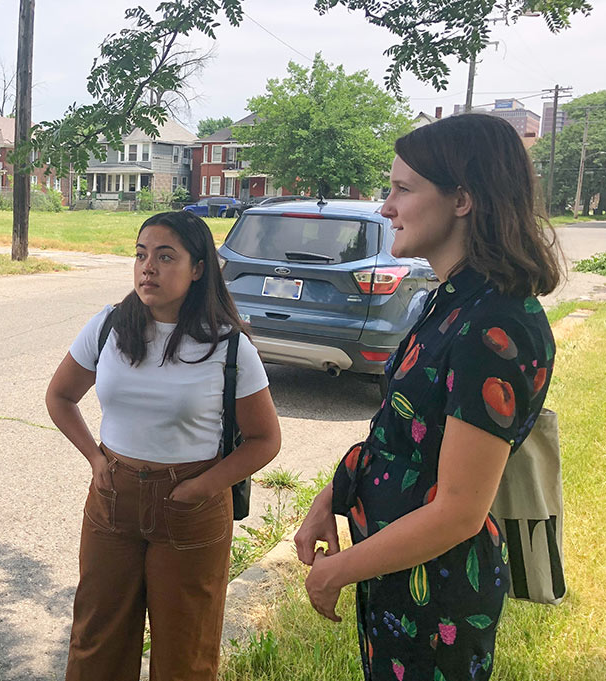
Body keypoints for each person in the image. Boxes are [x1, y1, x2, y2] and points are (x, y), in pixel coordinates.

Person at [294, 113, 562, 681]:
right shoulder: (452, 301)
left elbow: (459, 512)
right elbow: (401, 431)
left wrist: (336, 570)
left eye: (401, 189)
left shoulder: (499, 325)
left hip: (436, 597)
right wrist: (332, 496)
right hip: (395, 574)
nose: (384, 206)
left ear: (462, 198)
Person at [46, 211, 281, 681]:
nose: (147, 267)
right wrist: (95, 458)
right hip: (114, 498)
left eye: (165, 256)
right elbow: (60, 396)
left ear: (198, 269)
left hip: (190, 508)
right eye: (140, 255)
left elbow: (265, 440)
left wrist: (201, 488)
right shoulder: (109, 327)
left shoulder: (229, 346)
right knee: (96, 643)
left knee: (186, 653)